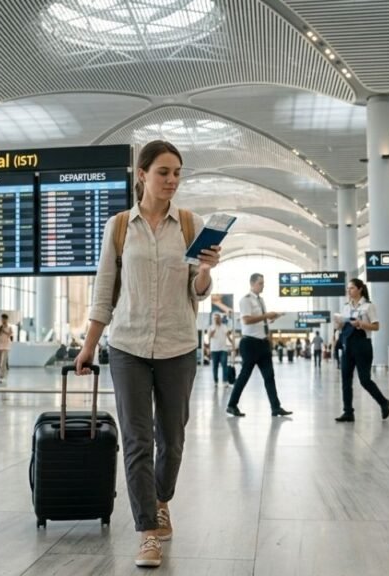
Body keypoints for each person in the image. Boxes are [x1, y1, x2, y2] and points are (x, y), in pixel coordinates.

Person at [75, 140, 220, 568]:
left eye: (177, 173)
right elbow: (104, 290)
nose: (172, 180)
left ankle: (161, 500)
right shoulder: (120, 226)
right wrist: (88, 345)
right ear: (142, 174)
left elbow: (198, 292)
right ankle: (147, 532)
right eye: (163, 172)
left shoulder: (191, 225)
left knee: (171, 440)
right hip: (128, 346)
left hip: (178, 345)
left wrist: (206, 271)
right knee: (138, 440)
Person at [226, 273, 292, 418]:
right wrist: (266, 316)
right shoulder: (245, 300)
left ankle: (276, 407)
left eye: (263, 283)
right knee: (244, 375)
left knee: (269, 376)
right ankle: (231, 405)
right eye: (260, 283)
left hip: (263, 343)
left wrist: (271, 318)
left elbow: (260, 320)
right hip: (250, 343)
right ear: (252, 284)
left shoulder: (261, 300)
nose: (263, 286)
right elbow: (246, 320)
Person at [334, 278, 389, 422]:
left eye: (352, 288)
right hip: (347, 345)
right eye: (348, 288)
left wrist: (360, 324)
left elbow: (376, 326)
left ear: (359, 289)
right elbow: (341, 327)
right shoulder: (345, 306)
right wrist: (338, 324)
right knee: (345, 380)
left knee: (364, 380)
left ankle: (383, 402)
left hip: (362, 344)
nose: (349, 291)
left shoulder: (368, 306)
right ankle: (348, 412)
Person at [208, 313, 232, 386]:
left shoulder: (224, 326)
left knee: (224, 365)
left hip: (223, 349)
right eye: (215, 318)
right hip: (214, 349)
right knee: (215, 366)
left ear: (220, 319)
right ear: (213, 319)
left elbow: (228, 336)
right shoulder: (211, 327)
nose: (217, 319)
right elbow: (209, 337)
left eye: (218, 318)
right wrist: (213, 331)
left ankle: (225, 381)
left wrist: (232, 343)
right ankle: (215, 381)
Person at [0, 314, 13, 381]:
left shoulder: (10, 327)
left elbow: (11, 336)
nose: (3, 320)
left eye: (5, 319)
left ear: (7, 319)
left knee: (3, 362)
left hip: (6, 346)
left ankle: (2, 376)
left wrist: (4, 331)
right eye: (2, 319)